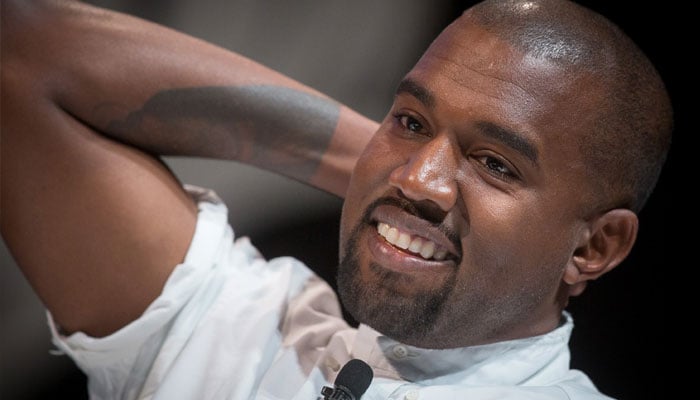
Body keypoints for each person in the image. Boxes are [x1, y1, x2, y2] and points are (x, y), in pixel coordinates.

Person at [1, 0, 673, 399]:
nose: (420, 179)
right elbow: (23, 54)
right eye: (409, 119)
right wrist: (380, 171)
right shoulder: (240, 332)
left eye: (496, 163)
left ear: (595, 246)